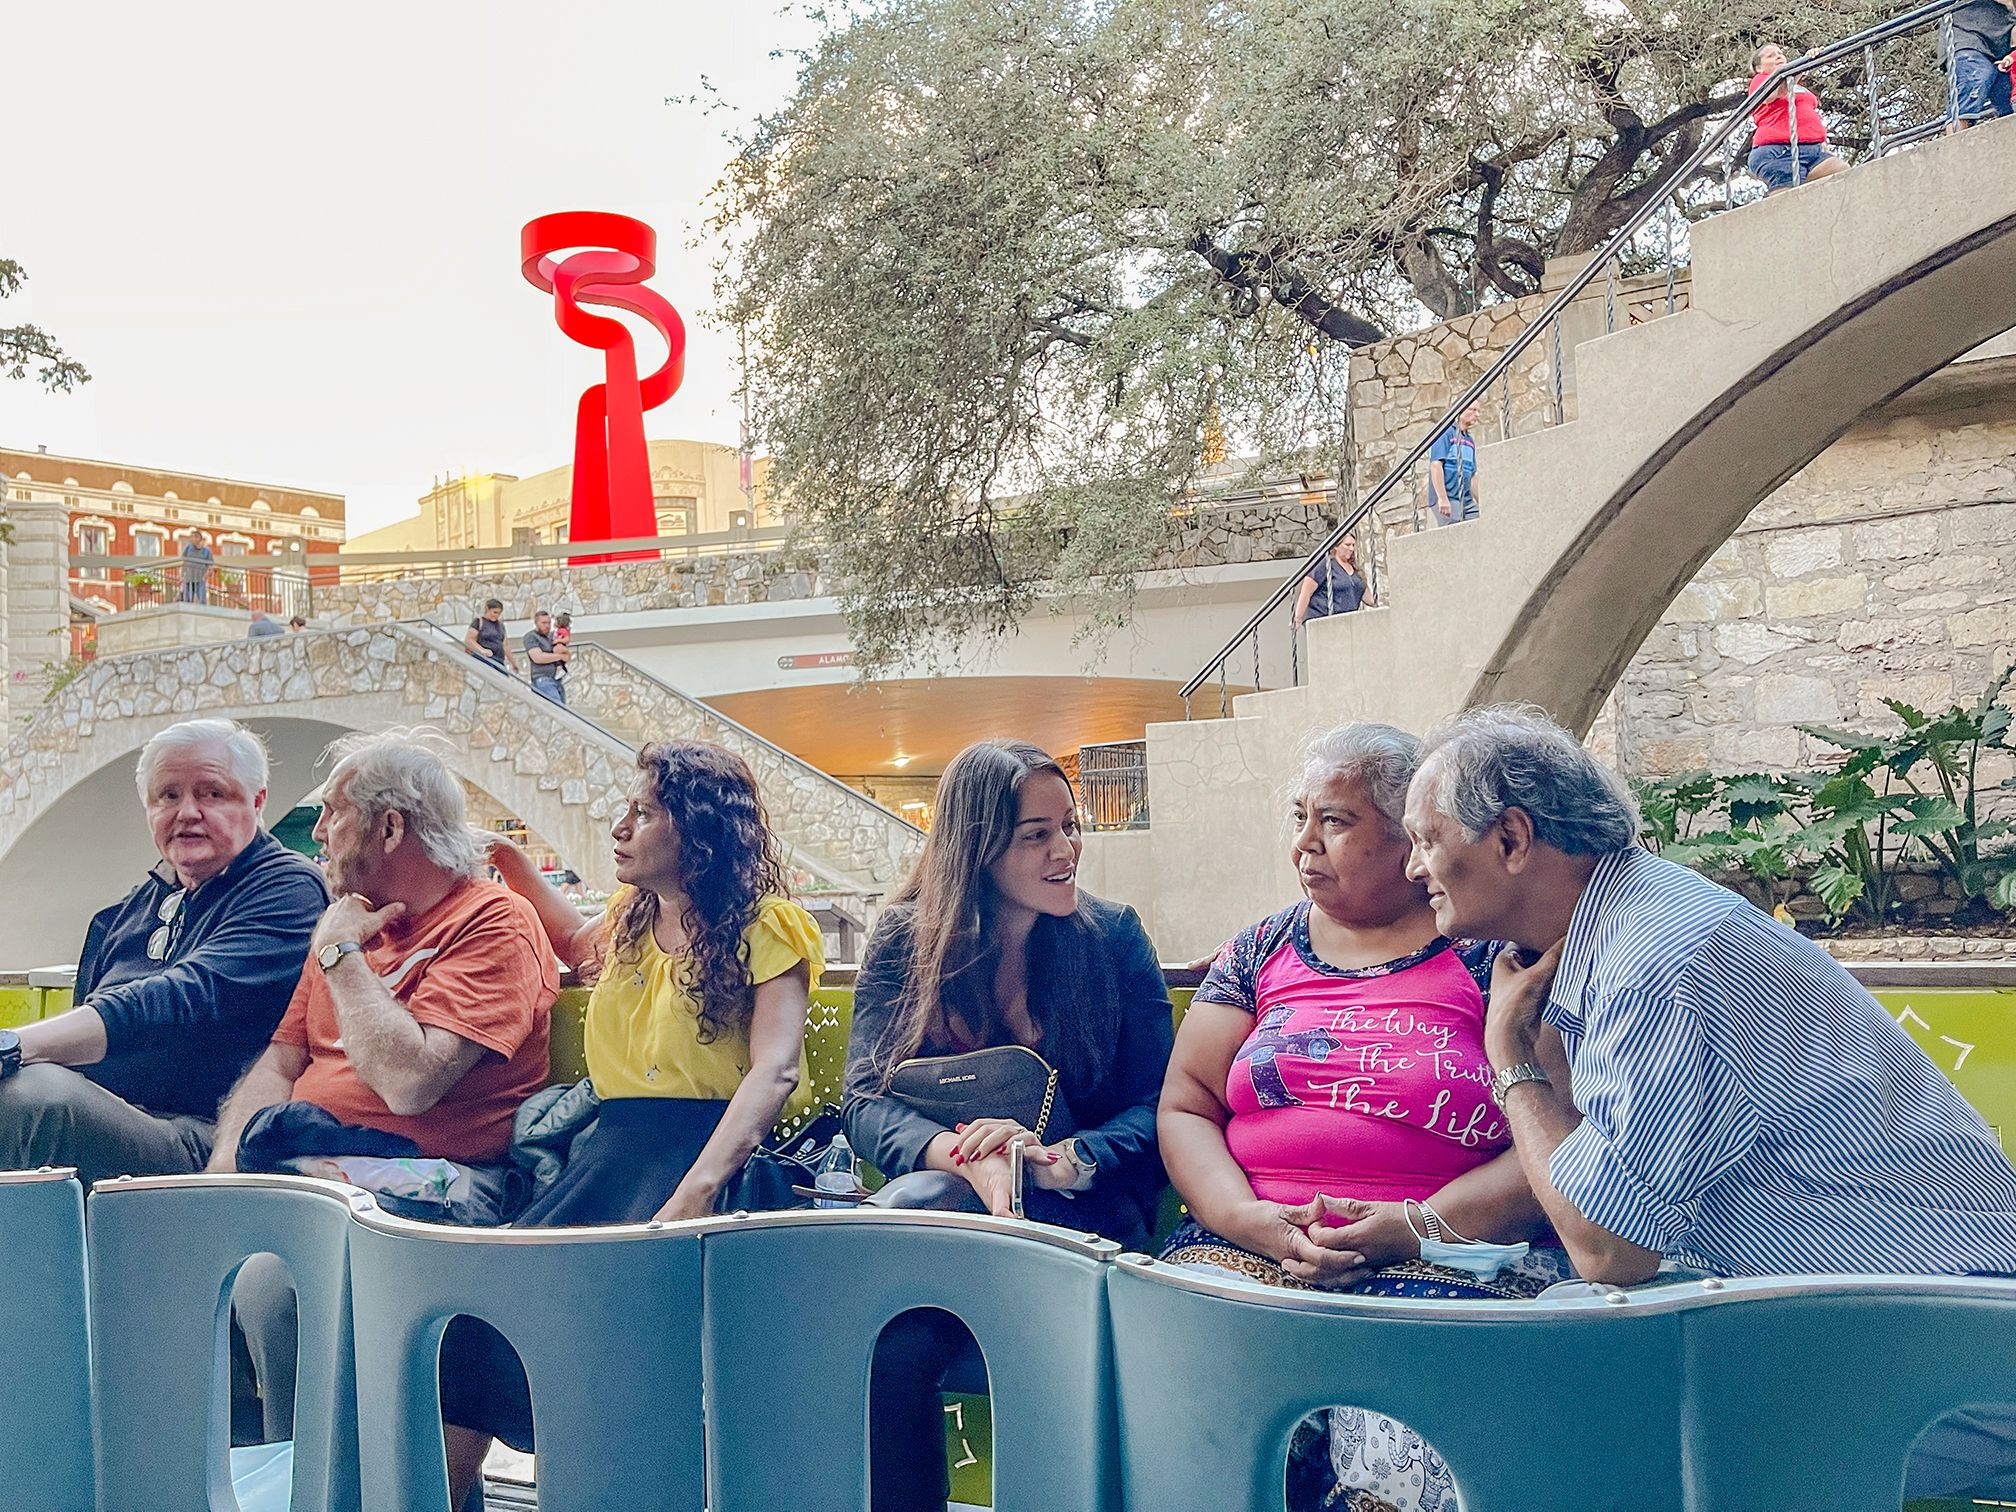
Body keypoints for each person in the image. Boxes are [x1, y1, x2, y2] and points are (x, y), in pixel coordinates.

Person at [1158, 723, 1558, 1512]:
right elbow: (1186, 1104)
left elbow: (1549, 1139)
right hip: (1248, 1250)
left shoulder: (1492, 955)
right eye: (1300, 818)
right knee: (1191, 1414)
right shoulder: (1261, 949)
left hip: (1445, 1260)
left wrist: (1414, 1225)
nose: (1306, 844)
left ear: (1410, 839)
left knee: (1397, 1444)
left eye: (1334, 822)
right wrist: (1248, 1219)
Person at [434, 739, 822, 1507]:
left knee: (616, 1349)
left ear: (698, 829)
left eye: (642, 813)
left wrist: (692, 1196)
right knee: (475, 1325)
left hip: (710, 1160)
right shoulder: (633, 921)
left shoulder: (768, 924)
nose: (620, 827)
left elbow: (773, 1071)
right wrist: (510, 861)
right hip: (608, 1157)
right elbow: (580, 947)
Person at [843, 739, 1173, 1512]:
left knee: (1005, 1306)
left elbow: (1161, 1107)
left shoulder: (1114, 936)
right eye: (1037, 835)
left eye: (1071, 826)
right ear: (977, 846)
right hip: (951, 1207)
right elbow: (863, 1099)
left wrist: (1063, 1158)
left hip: (1084, 1207)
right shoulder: (904, 940)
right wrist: (963, 1155)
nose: (1067, 851)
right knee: (893, 1329)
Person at [216, 727, 556, 1444]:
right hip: (319, 1172)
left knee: (274, 1281)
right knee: (194, 1251)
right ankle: (297, 1479)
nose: (320, 837)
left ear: (389, 824)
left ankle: (323, 1484)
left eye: (333, 814)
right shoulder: (345, 924)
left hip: (449, 1181)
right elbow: (281, 1062)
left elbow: (410, 1084)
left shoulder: (491, 922)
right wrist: (219, 1175)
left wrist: (342, 956)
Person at [0, 719, 326, 1186]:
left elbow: (183, 997)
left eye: (211, 793)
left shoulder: (287, 889)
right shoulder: (124, 914)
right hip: (117, 1115)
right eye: (168, 796)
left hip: (216, 1138)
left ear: (257, 801)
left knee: (34, 1097)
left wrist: (16, 1045)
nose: (187, 812)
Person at [1746, 45, 1847, 191]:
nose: (1778, 56)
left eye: (1780, 53)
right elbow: (1770, 96)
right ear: (1759, 68)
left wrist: (1806, 60)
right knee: (1789, 194)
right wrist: (1801, 65)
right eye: (1770, 56)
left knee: (1840, 170)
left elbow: (1807, 113)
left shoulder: (1795, 86)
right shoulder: (1760, 80)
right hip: (1778, 150)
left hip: (1811, 148)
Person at [1945, 1, 2016, 126]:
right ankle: (1956, 141)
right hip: (1968, 33)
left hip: (2005, 39)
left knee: (2008, 95)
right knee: (1975, 77)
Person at [1292, 535, 1372, 626]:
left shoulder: (1355, 570)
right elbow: (1306, 591)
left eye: (1353, 545)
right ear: (1336, 546)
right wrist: (1298, 617)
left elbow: (1367, 597)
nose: (1351, 549)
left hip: (1348, 621)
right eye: (1347, 545)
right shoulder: (1325, 565)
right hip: (1324, 619)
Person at [1426, 403, 1481, 525]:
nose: (1477, 414)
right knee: (1456, 534)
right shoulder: (1445, 433)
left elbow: (1472, 476)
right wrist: (1442, 498)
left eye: (1478, 411)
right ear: (1460, 410)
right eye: (1473, 410)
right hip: (1449, 498)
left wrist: (1482, 502)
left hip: (1466, 500)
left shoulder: (1469, 440)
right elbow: (1436, 465)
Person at [522, 608, 569, 706]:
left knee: (563, 711)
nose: (547, 626)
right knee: (558, 708)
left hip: (556, 679)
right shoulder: (531, 637)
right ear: (536, 623)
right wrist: (560, 656)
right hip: (542, 679)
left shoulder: (552, 637)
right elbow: (538, 658)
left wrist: (562, 655)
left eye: (548, 623)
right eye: (543, 623)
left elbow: (567, 656)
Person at [464, 599, 514, 676]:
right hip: (483, 659)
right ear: (487, 609)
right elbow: (469, 640)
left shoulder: (500, 625)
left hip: (499, 660)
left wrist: (513, 663)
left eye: (499, 613)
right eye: (494, 612)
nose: (496, 615)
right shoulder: (479, 622)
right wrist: (482, 650)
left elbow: (505, 645)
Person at [177, 531, 214, 604]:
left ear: (199, 539)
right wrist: (181, 576)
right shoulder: (188, 548)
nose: (191, 538)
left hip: (200, 579)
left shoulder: (206, 551)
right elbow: (184, 562)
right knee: (187, 600)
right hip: (188, 578)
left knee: (202, 600)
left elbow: (210, 566)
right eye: (191, 537)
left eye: (194, 536)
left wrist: (205, 577)